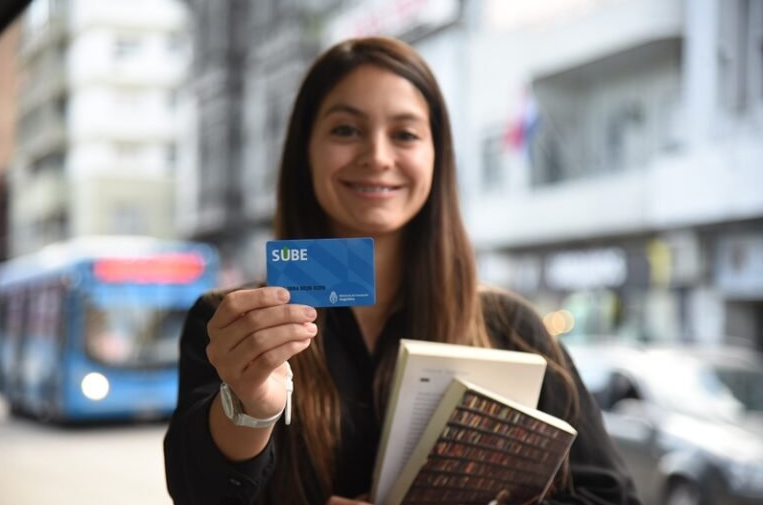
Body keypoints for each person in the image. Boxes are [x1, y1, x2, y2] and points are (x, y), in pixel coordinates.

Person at [163, 36, 642, 505]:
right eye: (345, 130)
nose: (377, 155)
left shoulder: (510, 327)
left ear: (437, 156)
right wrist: (250, 407)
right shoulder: (235, 325)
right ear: (304, 150)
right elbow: (197, 493)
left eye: (406, 134)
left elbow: (610, 495)